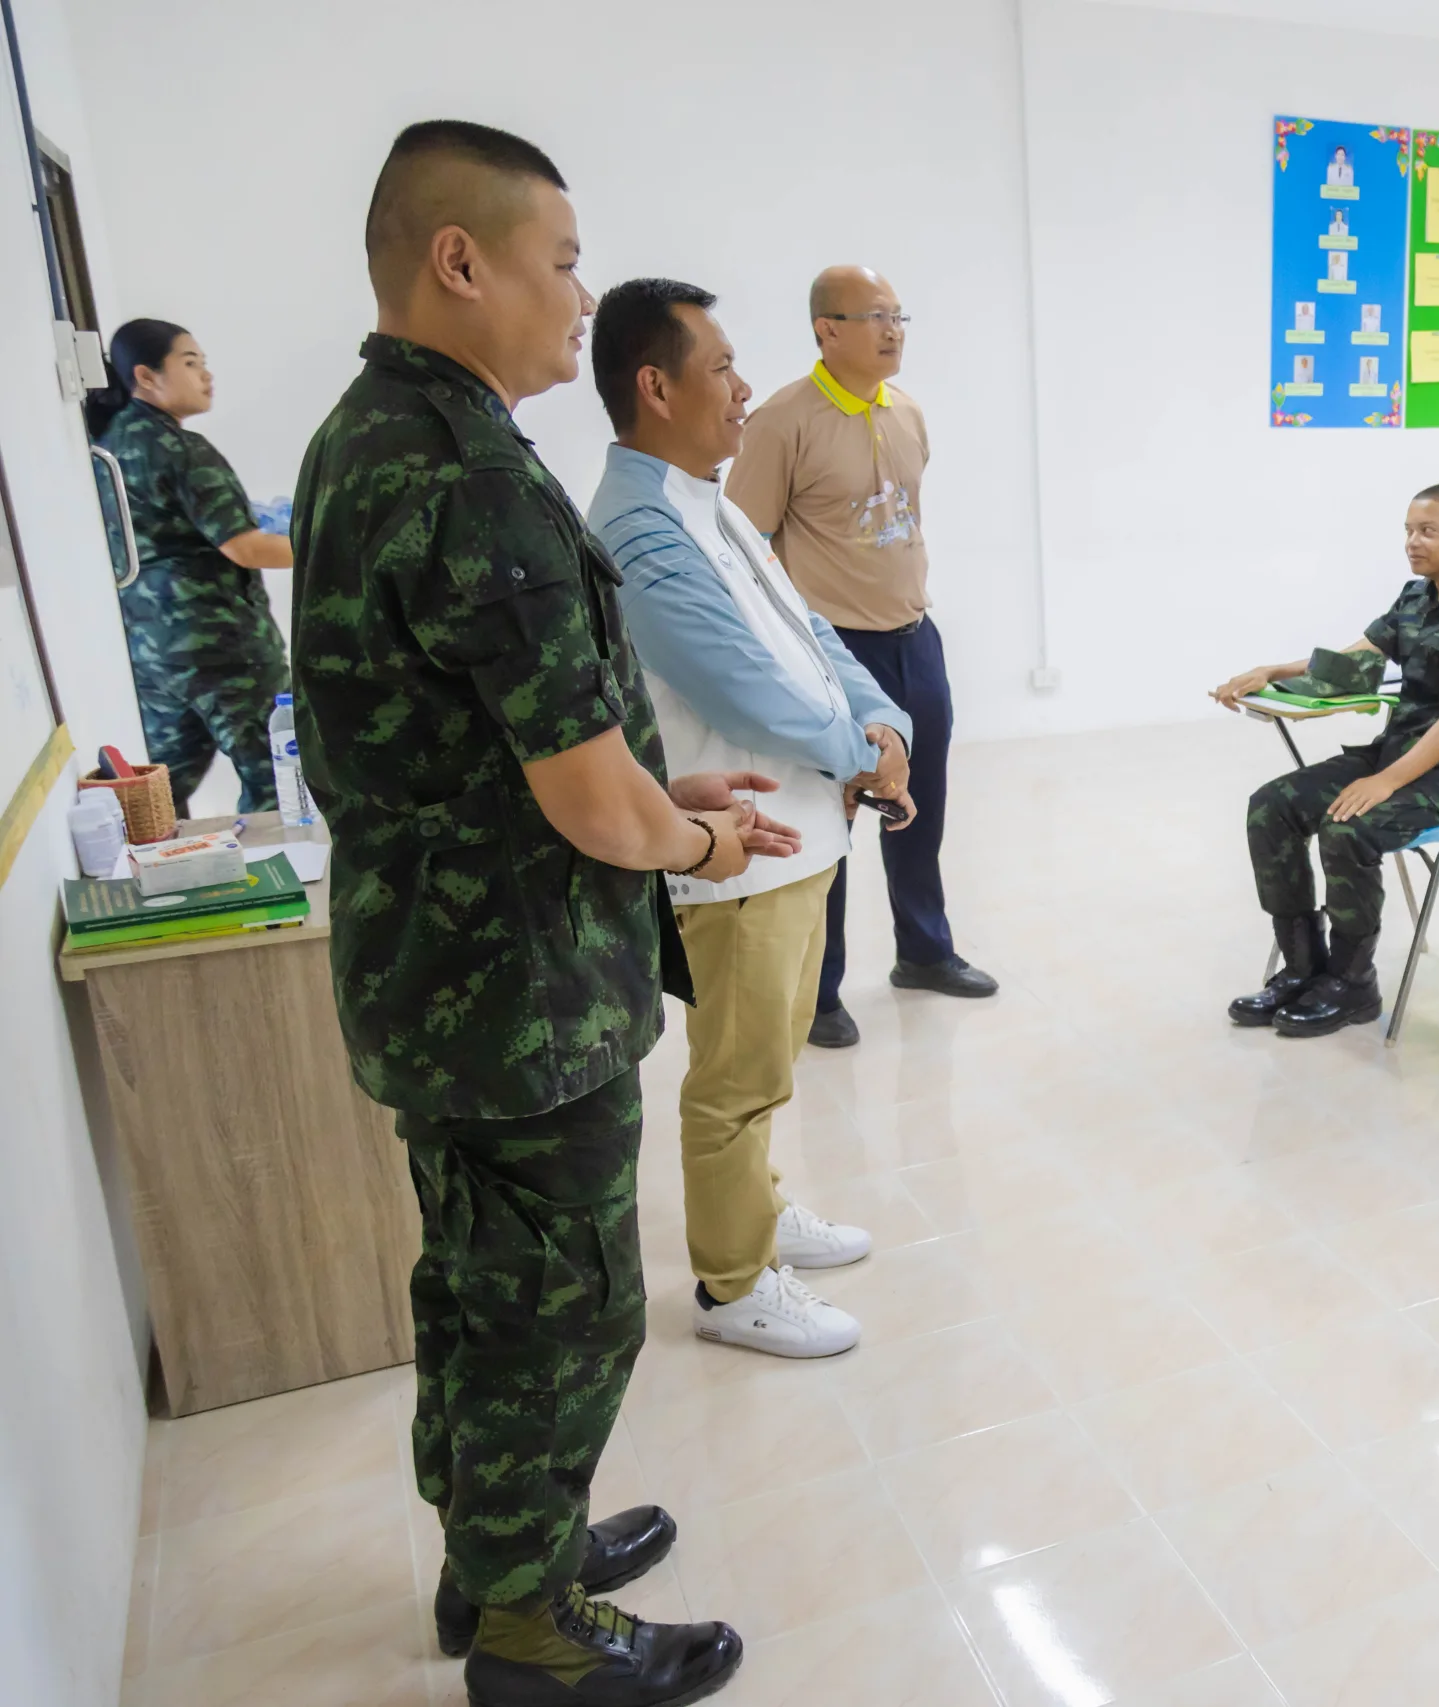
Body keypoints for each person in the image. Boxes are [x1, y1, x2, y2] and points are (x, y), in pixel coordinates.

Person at [292, 120, 771, 1702]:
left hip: (435, 963)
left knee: (478, 1280)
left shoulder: (366, 435)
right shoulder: (468, 476)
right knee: (558, 1314)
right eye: (561, 262)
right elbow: (589, 808)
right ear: (460, 260)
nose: (580, 296)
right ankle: (529, 1630)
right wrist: (695, 841)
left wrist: (652, 789)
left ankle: (501, 1553)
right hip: (515, 995)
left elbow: (481, 742)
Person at [589, 278, 919, 1359]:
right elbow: (740, 687)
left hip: (800, 833)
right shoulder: (637, 528)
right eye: (722, 368)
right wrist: (860, 756)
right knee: (736, 1078)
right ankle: (733, 1284)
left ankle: (760, 1211)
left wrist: (882, 721)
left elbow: (808, 633)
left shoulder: (709, 502)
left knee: (767, 1060)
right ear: (656, 386)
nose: (743, 389)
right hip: (740, 848)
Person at [729, 264, 995, 1050]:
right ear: (826, 330)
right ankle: (819, 992)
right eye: (875, 316)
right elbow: (743, 548)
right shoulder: (783, 421)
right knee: (832, 818)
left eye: (899, 316)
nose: (892, 331)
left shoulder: (906, 411)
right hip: (834, 652)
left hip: (915, 636)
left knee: (920, 806)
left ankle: (925, 951)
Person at [1214, 484, 1439, 1038]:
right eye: (1408, 530)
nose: (1412, 542)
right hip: (1398, 756)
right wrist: (1273, 671)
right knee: (1272, 806)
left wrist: (1386, 780)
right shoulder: (1415, 597)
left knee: (1347, 828)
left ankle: (1352, 983)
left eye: (1427, 531)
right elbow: (1355, 658)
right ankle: (1303, 969)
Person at [87, 319, 295, 812]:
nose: (207, 374)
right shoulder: (182, 450)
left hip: (152, 650)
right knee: (282, 780)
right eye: (190, 362)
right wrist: (330, 546)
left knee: (158, 790)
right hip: (222, 647)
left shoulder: (108, 447)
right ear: (146, 376)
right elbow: (246, 548)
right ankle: (283, 862)